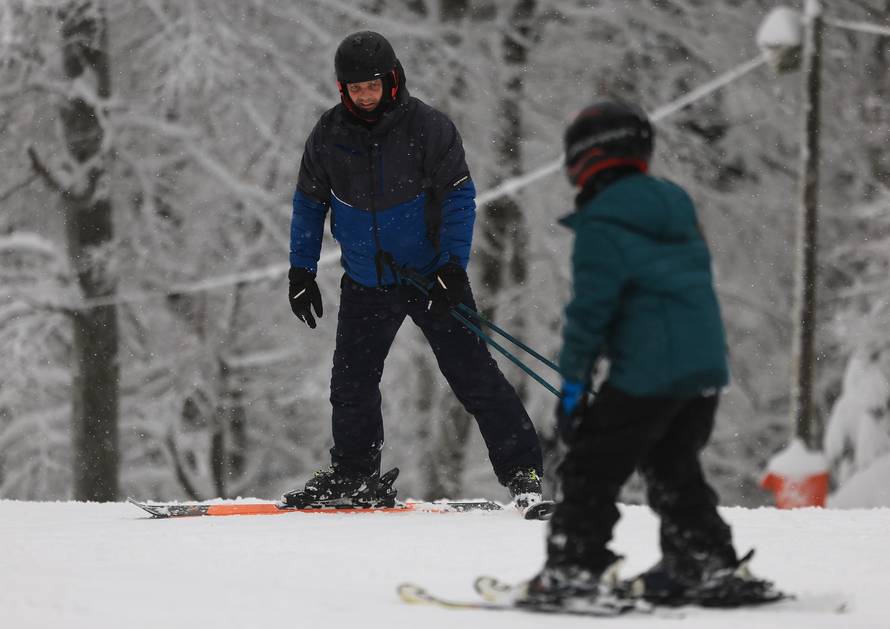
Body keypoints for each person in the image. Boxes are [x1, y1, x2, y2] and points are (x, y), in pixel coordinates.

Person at [516, 102, 776, 609]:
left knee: (589, 468)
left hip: (649, 371)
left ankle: (574, 570)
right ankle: (704, 563)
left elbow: (590, 314)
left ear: (585, 158)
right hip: (703, 368)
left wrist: (573, 387)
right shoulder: (674, 202)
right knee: (672, 465)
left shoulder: (601, 222)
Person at [283, 31, 544, 509]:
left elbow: (459, 198)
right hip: (366, 282)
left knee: (473, 376)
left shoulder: (428, 128)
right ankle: (355, 476)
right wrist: (301, 271)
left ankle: (522, 473)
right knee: (351, 384)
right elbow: (309, 203)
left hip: (430, 278)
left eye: (372, 85)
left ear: (393, 80)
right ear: (342, 89)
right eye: (355, 88)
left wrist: (452, 267)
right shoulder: (329, 135)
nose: (365, 96)